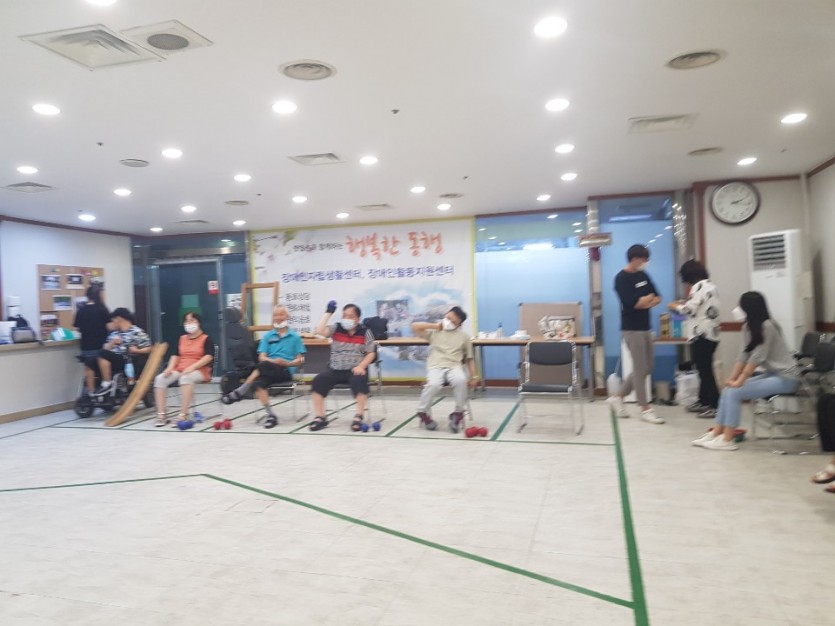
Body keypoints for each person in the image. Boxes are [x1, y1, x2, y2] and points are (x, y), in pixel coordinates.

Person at [692, 291, 799, 451]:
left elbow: (758, 357)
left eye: (740, 305)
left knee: (735, 392)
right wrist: (732, 379)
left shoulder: (768, 326)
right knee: (728, 390)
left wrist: (740, 381)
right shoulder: (747, 327)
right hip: (772, 374)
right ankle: (717, 432)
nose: (737, 309)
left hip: (787, 377)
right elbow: (743, 355)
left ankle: (727, 439)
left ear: (749, 308)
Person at [220, 305, 306, 428]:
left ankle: (241, 391)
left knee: (262, 365)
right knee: (258, 383)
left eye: (281, 314)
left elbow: (300, 359)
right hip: (268, 369)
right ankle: (271, 415)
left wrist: (288, 363)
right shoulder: (268, 336)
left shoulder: (295, 337)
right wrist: (273, 361)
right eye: (276, 315)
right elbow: (262, 357)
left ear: (287, 316)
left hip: (285, 370)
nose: (278, 317)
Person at [608, 244, 665, 424]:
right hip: (632, 329)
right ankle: (645, 408)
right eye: (644, 259)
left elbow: (657, 297)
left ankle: (618, 397)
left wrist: (645, 301)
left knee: (648, 367)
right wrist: (646, 300)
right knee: (640, 368)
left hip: (646, 327)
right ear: (634, 259)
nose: (646, 262)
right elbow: (633, 304)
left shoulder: (643, 275)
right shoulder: (621, 278)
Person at [308, 301, 377, 431]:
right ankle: (320, 417)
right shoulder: (337, 328)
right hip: (335, 369)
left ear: (358, 319)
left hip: (355, 370)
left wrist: (362, 366)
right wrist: (328, 312)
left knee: (360, 380)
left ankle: (359, 416)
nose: (346, 319)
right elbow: (319, 331)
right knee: (318, 381)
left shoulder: (365, 332)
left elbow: (371, 353)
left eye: (350, 316)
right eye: (344, 316)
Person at [667, 260, 721, 418]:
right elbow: (702, 307)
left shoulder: (698, 287)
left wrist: (674, 306)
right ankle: (704, 401)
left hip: (701, 334)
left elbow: (689, 310)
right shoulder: (711, 286)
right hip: (711, 334)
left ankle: (714, 405)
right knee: (703, 369)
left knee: (705, 371)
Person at [411, 306, 478, 432]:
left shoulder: (464, 337)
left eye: (453, 321)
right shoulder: (435, 332)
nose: (448, 322)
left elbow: (470, 358)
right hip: (436, 365)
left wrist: (474, 376)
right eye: (448, 318)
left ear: (459, 324)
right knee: (434, 384)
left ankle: (458, 413)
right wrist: (435, 326)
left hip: (454, 365)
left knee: (460, 380)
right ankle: (422, 412)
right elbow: (414, 326)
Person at [152, 312, 215, 427]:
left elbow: (208, 357)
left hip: (200, 370)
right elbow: (175, 355)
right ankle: (161, 414)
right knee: (160, 379)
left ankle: (183, 414)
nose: (188, 323)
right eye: (186, 321)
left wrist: (192, 367)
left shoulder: (206, 338)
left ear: (198, 323)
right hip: (180, 368)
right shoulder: (182, 338)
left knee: (185, 378)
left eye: (192, 320)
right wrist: (170, 368)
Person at [93, 307, 153, 393]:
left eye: (113, 320)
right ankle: (92, 392)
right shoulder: (114, 334)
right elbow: (105, 349)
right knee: (91, 360)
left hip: (128, 360)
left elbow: (149, 348)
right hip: (114, 359)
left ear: (119, 319)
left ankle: (107, 382)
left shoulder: (137, 332)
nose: (112, 323)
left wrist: (136, 351)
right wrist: (112, 343)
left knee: (101, 353)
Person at [73, 284, 110, 396]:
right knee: (102, 363)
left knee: (89, 367)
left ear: (87, 296)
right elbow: (109, 327)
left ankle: (91, 392)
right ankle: (105, 386)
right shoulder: (102, 310)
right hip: (100, 344)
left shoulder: (81, 311)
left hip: (86, 345)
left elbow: (78, 328)